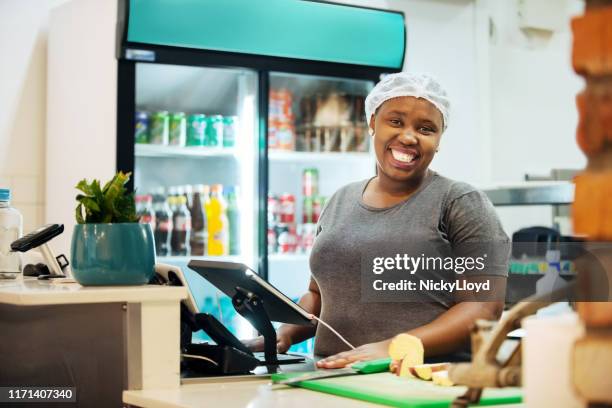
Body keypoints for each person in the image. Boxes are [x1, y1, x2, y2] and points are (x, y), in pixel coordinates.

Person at [249, 72, 509, 369]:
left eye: (426, 129)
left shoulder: (460, 202)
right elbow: (319, 295)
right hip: (330, 376)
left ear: (438, 140)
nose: (409, 136)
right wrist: (284, 333)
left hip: (417, 380)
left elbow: (484, 306)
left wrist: (393, 347)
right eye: (396, 121)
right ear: (373, 122)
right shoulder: (341, 200)